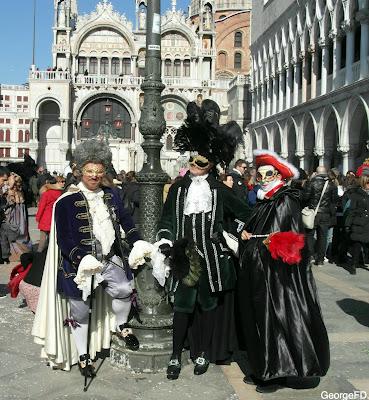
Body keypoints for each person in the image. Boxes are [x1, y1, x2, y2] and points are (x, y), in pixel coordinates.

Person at [156, 100, 252, 380]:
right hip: (185, 260)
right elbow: (166, 220)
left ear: (211, 162)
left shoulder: (220, 190)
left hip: (212, 259)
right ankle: (175, 355)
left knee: (209, 307)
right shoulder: (178, 189)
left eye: (201, 161)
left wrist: (234, 231)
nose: (195, 165)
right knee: (183, 308)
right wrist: (165, 242)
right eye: (192, 159)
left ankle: (204, 353)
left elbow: (245, 214)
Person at [32, 139, 141, 376]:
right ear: (81, 171)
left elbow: (126, 221)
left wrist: (137, 241)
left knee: (124, 289)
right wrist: (82, 258)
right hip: (78, 266)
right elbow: (64, 239)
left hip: (109, 260)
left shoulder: (112, 194)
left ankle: (121, 326)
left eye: (99, 172)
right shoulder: (65, 201)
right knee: (80, 311)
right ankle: (83, 355)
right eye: (90, 172)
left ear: (104, 172)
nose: (94, 176)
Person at [237, 150, 330, 393]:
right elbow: (257, 229)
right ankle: (263, 369)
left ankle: (276, 373)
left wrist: (259, 242)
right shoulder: (265, 199)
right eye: (259, 174)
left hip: (277, 276)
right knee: (259, 320)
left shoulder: (284, 199)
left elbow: (284, 239)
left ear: (278, 175)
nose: (263, 178)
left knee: (275, 320)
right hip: (260, 270)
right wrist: (245, 234)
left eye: (268, 174)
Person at [302, 166, 338, 265]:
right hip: (325, 214)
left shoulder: (311, 183)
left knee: (309, 235)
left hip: (313, 213)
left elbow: (305, 197)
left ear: (316, 173)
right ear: (325, 173)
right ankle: (320, 259)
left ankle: (309, 256)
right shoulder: (331, 184)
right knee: (323, 236)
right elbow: (334, 200)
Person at [343, 162, 369, 275]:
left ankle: (363, 262)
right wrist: (348, 225)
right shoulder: (356, 194)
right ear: (363, 182)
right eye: (368, 182)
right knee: (357, 246)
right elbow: (352, 210)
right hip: (359, 223)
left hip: (368, 224)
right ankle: (353, 265)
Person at [35, 175, 65, 252]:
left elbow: (41, 207)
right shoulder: (60, 193)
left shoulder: (46, 194)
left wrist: (38, 217)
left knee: (42, 239)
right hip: (55, 218)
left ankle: (39, 255)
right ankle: (52, 253)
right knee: (53, 239)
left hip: (45, 218)